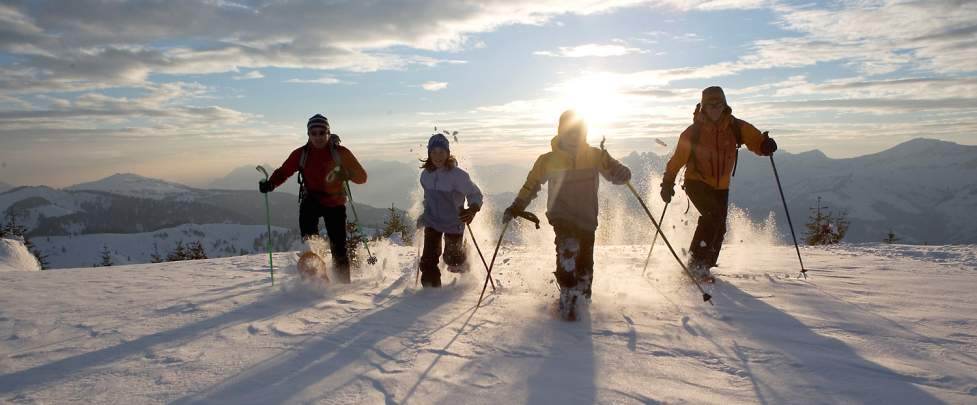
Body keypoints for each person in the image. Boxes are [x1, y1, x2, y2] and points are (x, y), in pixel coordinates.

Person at [503, 110, 631, 317]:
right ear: (561, 132)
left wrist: (623, 173)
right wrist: (517, 206)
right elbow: (531, 186)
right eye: (570, 132)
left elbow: (615, 174)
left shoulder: (595, 155)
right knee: (568, 248)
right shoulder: (548, 160)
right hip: (561, 215)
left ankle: (581, 302)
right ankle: (567, 296)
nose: (574, 136)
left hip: (587, 218)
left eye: (578, 132)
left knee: (584, 267)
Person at [660, 86, 777, 282]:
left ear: (725, 105)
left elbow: (755, 140)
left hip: (721, 186)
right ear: (703, 107)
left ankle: (705, 266)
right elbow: (677, 160)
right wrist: (667, 182)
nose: (715, 108)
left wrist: (765, 145)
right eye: (710, 104)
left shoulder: (735, 126)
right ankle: (695, 266)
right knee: (711, 217)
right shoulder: (693, 132)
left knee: (720, 226)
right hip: (696, 182)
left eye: (719, 104)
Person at [259, 114, 367, 283]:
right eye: (313, 133)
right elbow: (284, 171)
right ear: (308, 134)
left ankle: (343, 287)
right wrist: (271, 184)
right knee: (310, 245)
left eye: (321, 132)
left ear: (328, 133)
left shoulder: (340, 153)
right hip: (311, 201)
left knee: (338, 247)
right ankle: (314, 283)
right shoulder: (301, 154)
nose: (317, 137)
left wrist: (346, 174)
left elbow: (362, 177)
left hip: (335, 203)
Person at [417, 133, 484, 288]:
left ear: (448, 153)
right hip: (433, 221)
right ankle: (429, 294)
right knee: (428, 260)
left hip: (454, 221)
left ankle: (463, 256)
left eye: (442, 152)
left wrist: (473, 208)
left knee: (452, 260)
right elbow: (428, 198)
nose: (438, 156)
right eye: (434, 152)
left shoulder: (457, 175)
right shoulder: (425, 175)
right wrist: (424, 215)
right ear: (429, 154)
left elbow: (475, 193)